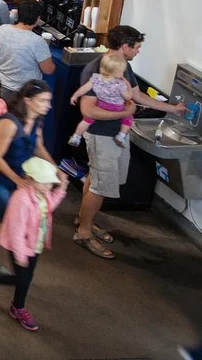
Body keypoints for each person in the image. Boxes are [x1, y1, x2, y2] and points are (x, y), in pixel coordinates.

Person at [74, 25, 185, 259]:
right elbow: (88, 110)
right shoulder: (96, 69)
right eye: (136, 47)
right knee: (100, 186)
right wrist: (125, 112)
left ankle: (84, 219)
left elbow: (137, 95)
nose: (138, 51)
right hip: (101, 135)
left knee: (96, 179)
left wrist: (173, 109)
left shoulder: (123, 66)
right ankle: (83, 233)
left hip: (116, 135)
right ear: (125, 46)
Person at [0, 79, 55, 277]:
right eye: (43, 100)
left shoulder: (36, 120)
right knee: (8, 219)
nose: (48, 105)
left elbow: (38, 147)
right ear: (28, 100)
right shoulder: (9, 123)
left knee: (3, 219)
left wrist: (56, 170)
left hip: (15, 178)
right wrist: (18, 180)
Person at [0, 157, 67, 331]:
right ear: (30, 179)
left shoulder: (43, 194)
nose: (48, 186)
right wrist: (20, 255)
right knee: (22, 278)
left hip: (35, 243)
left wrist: (61, 190)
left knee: (26, 277)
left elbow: (49, 206)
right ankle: (14, 304)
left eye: (50, 183)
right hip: (20, 246)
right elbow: (16, 232)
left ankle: (8, 297)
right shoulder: (21, 200)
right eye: (44, 182)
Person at [0, 0, 55, 98]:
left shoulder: (2, 29)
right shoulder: (37, 41)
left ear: (18, 14)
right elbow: (48, 70)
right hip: (21, 92)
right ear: (37, 19)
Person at [69, 51, 134, 147]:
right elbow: (128, 97)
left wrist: (75, 95)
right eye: (121, 71)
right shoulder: (119, 85)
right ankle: (120, 136)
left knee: (87, 120)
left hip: (101, 104)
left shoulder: (96, 78)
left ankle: (76, 136)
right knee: (129, 118)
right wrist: (128, 85)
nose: (122, 73)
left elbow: (84, 88)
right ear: (116, 72)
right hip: (117, 108)